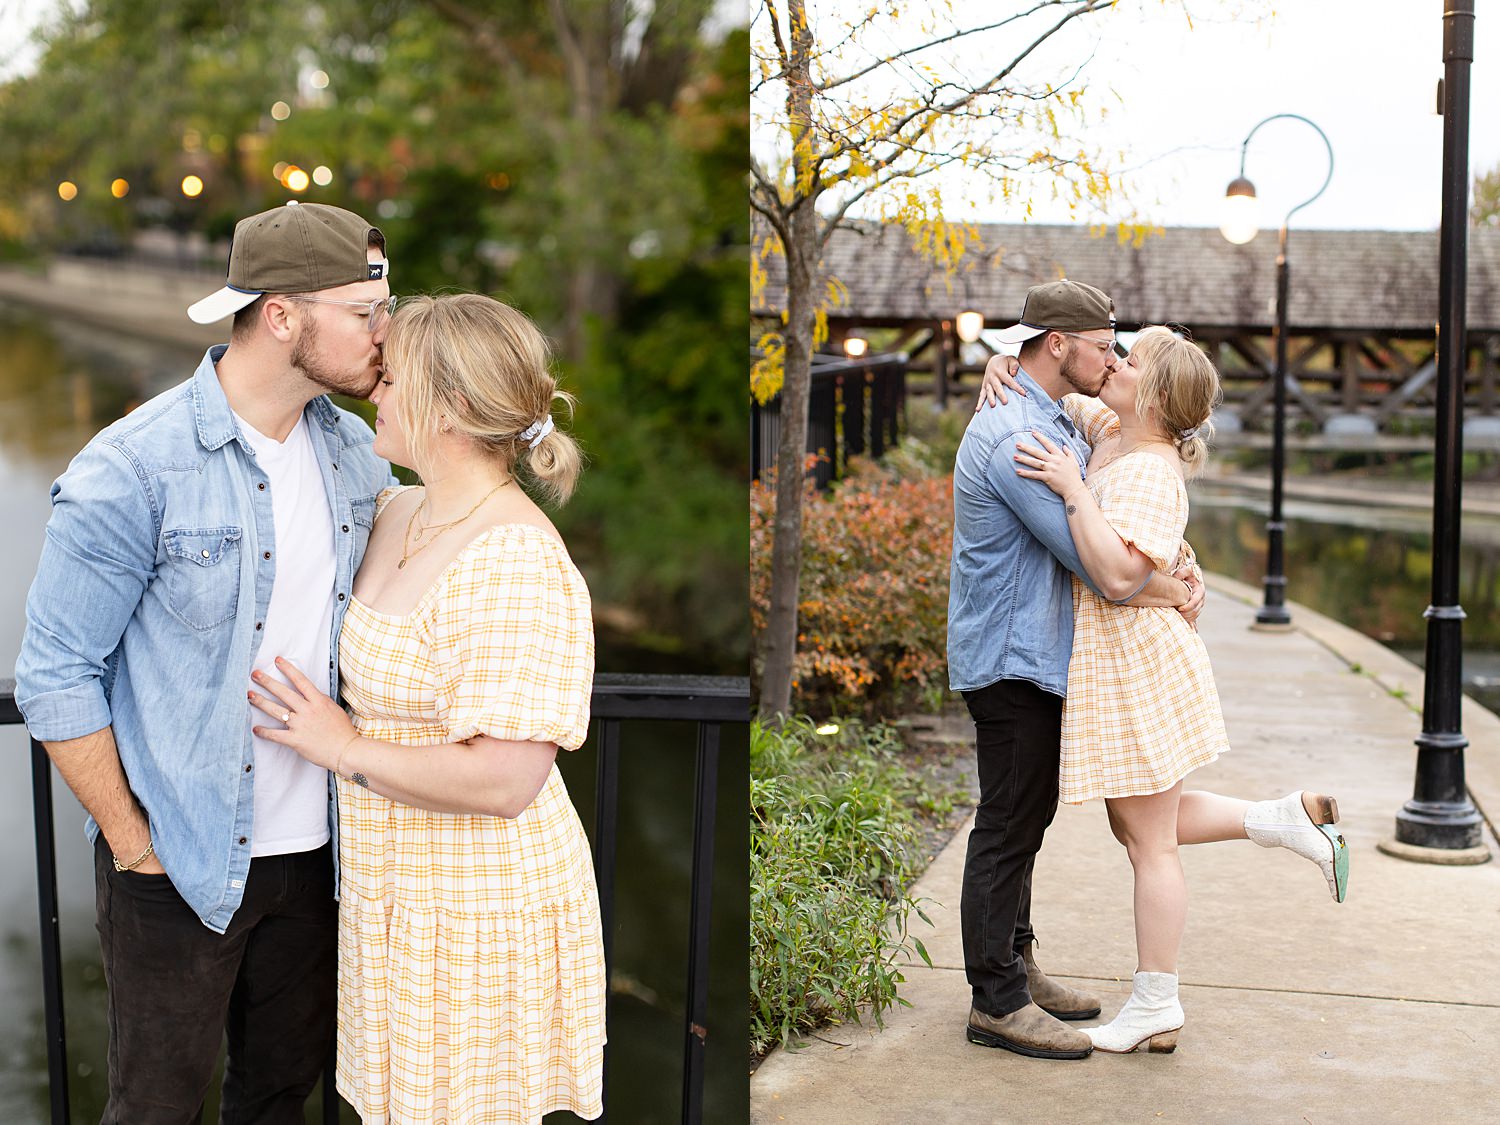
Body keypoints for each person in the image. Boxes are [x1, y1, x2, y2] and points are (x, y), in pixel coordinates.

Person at [16, 201, 395, 1122]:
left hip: (320, 860)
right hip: (176, 862)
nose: (387, 332)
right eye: (367, 311)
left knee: (276, 1099)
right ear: (282, 315)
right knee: (156, 1109)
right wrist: (132, 841)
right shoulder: (135, 466)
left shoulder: (361, 458)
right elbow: (55, 671)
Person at [242, 293, 606, 1123]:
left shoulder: (513, 557)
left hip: (478, 912)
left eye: (394, 378)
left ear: (450, 408)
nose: (375, 388)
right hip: (395, 897)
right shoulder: (398, 508)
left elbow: (509, 778)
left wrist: (342, 748)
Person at [1004, 325, 1349, 1055]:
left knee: (1150, 843)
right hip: (1126, 665)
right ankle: (1286, 819)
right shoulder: (1120, 433)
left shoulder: (1149, 469)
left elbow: (1119, 576)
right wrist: (1007, 361)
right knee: (1135, 826)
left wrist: (1071, 491)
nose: (1113, 365)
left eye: (1128, 362)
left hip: (1137, 665)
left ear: (1154, 396)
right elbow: (1071, 395)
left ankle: (1156, 1000)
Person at [948, 280, 1206, 1062]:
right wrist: (1175, 586)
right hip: (1010, 658)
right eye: (1104, 344)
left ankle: (1017, 967)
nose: (1113, 357)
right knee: (1007, 821)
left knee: (1027, 816)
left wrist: (997, 356)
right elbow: (1102, 567)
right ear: (1058, 345)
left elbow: (1118, 463)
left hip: (1035, 654)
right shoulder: (1016, 438)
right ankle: (996, 1000)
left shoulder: (1051, 411)